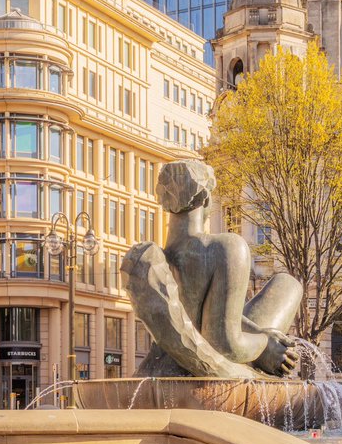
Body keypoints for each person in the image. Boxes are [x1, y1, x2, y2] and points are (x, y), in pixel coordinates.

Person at [123, 159, 302, 378]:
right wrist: (265, 344)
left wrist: (259, 332)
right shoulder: (226, 247)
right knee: (288, 284)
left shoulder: (151, 258)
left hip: (158, 369)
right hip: (218, 370)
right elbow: (225, 345)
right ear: (206, 199)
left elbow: (200, 318)